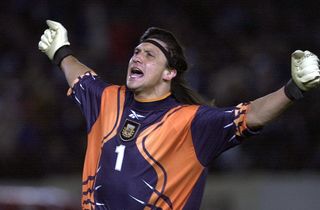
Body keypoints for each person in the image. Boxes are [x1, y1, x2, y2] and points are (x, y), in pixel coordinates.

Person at [38, 20, 320, 210]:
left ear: (169, 73)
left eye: (149, 55)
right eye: (136, 52)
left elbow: (252, 114)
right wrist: (61, 52)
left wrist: (293, 89)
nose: (137, 57)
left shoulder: (191, 122)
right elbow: (82, 77)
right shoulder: (107, 99)